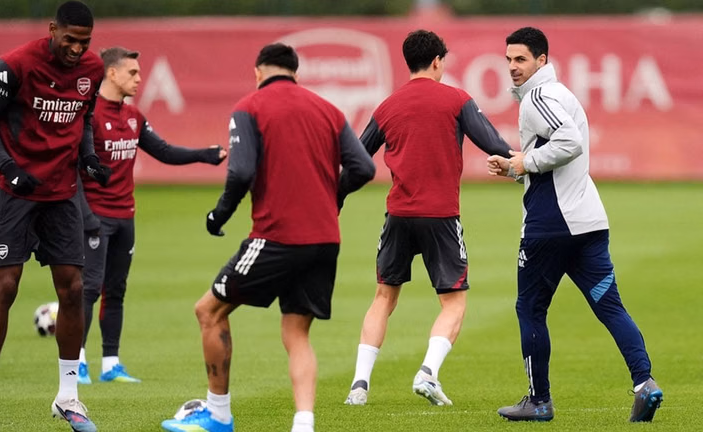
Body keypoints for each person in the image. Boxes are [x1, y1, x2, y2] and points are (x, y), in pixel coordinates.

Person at [161, 43, 376, 432]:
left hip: (277, 237)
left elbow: (240, 172)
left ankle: (218, 415)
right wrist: (333, 196)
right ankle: (304, 423)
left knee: (208, 311)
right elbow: (363, 167)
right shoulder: (328, 110)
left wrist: (219, 214)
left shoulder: (250, 107)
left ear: (258, 72)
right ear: (296, 73)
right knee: (296, 333)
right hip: (324, 240)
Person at [487, 27, 663, 422]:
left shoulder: (537, 98)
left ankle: (539, 401)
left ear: (542, 60)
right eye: (509, 59)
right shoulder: (561, 94)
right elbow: (557, 161)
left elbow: (568, 143)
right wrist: (516, 168)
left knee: (530, 308)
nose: (512, 67)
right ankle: (645, 383)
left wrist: (526, 162)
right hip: (588, 222)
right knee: (610, 307)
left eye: (521, 59)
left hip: (551, 226)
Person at [342, 29, 514, 407]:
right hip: (441, 216)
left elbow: (357, 158)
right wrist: (523, 163)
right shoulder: (456, 99)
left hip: (398, 215)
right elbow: (492, 143)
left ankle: (359, 385)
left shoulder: (387, 106)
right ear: (437, 61)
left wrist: (335, 197)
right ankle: (428, 373)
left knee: (383, 297)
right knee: (453, 303)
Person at [0, 2, 110, 432]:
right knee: (6, 285)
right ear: (52, 29)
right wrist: (9, 168)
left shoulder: (93, 69)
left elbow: (84, 119)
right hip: (14, 191)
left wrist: (88, 157)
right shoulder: (16, 64)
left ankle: (68, 397)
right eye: (70, 39)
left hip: (62, 194)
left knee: (73, 289)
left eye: (84, 41)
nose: (77, 48)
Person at [76, 46, 227, 385]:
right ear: (111, 73)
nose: (139, 79)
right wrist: (85, 215)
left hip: (125, 216)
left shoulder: (133, 116)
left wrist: (204, 155)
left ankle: (111, 364)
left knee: (116, 290)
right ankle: (78, 361)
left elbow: (164, 151)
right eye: (132, 72)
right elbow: (73, 170)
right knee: (89, 289)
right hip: (95, 217)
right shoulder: (89, 116)